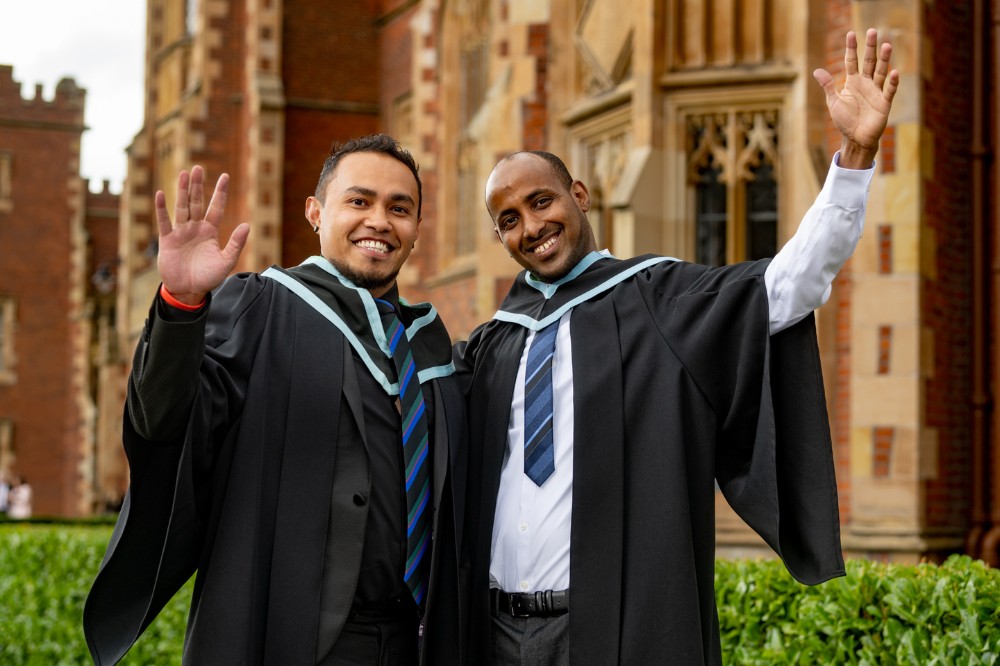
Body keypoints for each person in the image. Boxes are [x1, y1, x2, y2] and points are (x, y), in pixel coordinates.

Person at [454, 29, 899, 665]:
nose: (532, 227)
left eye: (541, 201)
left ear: (579, 196)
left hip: (608, 629)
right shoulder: (496, 341)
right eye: (509, 220)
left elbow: (787, 287)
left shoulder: (659, 300)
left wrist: (854, 157)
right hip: (492, 631)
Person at [83, 135, 467, 665]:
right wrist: (181, 306)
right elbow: (164, 418)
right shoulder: (260, 310)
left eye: (399, 208)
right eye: (359, 201)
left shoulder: (428, 345)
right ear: (315, 211)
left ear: (416, 229)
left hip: (414, 642)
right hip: (292, 638)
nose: (379, 220)